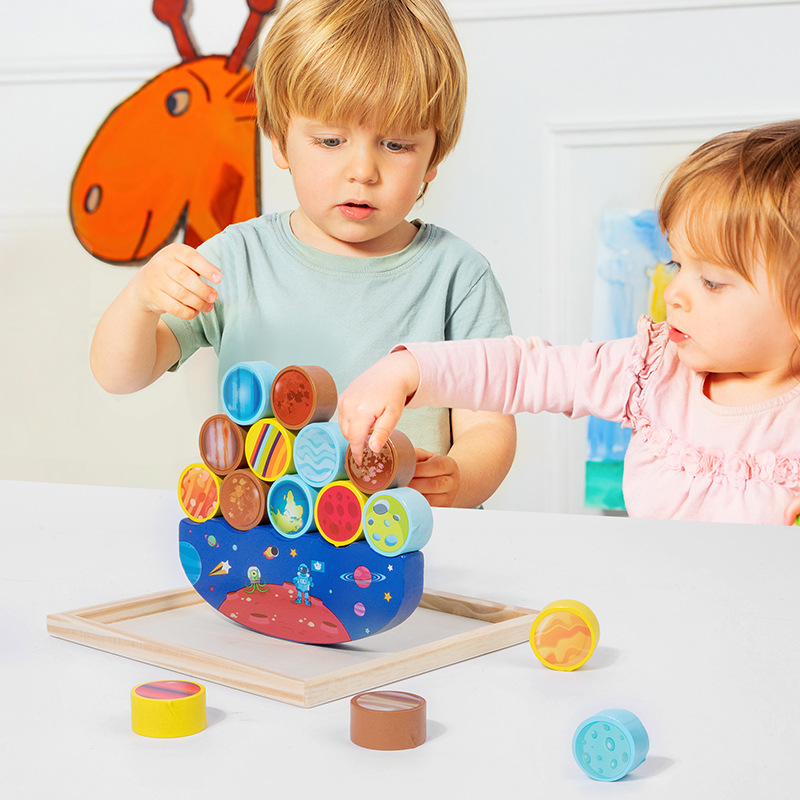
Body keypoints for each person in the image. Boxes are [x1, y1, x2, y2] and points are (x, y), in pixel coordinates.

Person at [89, 0, 516, 508]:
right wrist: (140, 299)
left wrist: (459, 478)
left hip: (403, 541)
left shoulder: (457, 278)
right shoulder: (238, 259)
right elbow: (120, 374)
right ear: (279, 140)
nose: (363, 170)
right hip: (266, 539)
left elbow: (489, 427)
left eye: (396, 145)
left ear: (434, 156)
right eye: (331, 140)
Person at [338, 120, 800, 525]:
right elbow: (525, 371)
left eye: (713, 283)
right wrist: (408, 371)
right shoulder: (650, 369)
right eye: (678, 266)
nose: (675, 294)